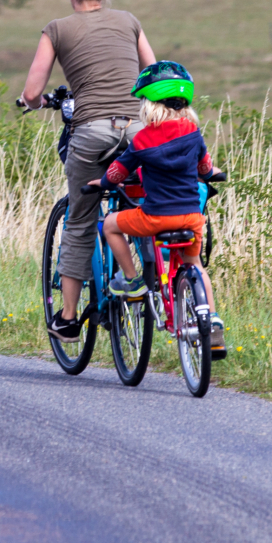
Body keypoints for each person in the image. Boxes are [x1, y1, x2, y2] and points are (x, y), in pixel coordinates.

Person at [19, 0, 158, 343]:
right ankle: (144, 276)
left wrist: (36, 103)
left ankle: (67, 318)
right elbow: (153, 76)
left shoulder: (56, 29)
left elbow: (31, 92)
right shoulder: (129, 22)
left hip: (91, 134)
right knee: (140, 202)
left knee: (80, 220)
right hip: (137, 131)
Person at [91, 61, 227, 351]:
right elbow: (205, 168)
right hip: (192, 219)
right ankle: (213, 321)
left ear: (150, 104)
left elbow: (117, 173)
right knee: (195, 264)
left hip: (155, 219)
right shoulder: (193, 132)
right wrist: (211, 173)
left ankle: (132, 282)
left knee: (110, 225)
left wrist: (101, 182)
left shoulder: (142, 139)